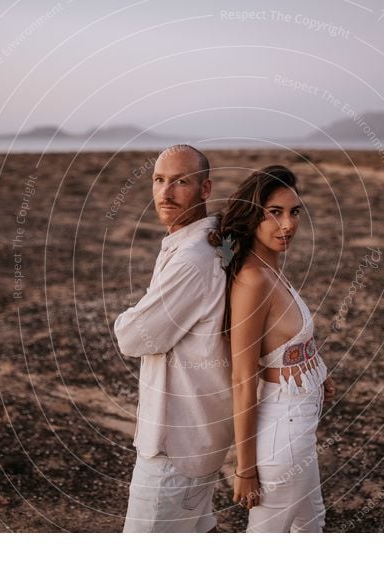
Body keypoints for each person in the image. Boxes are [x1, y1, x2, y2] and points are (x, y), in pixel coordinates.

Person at [208, 165, 335, 533]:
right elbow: (243, 376)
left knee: (311, 525)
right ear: (253, 215)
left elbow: (286, 341)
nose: (288, 225)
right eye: (274, 213)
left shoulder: (270, 266)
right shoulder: (253, 280)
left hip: (301, 421)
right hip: (285, 429)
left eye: (294, 212)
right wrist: (245, 470)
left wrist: (317, 372)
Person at [114, 145, 233, 532]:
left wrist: (127, 318)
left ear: (204, 189)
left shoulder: (194, 257)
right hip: (197, 435)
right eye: (159, 180)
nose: (165, 192)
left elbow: (134, 337)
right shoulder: (204, 242)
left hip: (174, 444)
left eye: (180, 182)